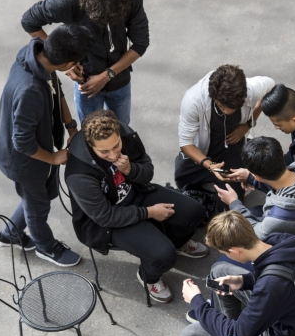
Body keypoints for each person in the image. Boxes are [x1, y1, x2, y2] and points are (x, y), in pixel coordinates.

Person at [65, 110, 208, 303]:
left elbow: (147, 171)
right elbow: (104, 217)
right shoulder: (79, 173)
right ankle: (148, 277)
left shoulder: (124, 132)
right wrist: (149, 213)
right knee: (163, 256)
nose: (113, 154)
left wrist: (130, 169)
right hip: (109, 222)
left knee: (195, 212)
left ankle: (177, 242)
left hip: (138, 193)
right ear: (90, 146)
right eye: (104, 151)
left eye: (116, 146)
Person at [0, 24, 92, 266]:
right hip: (26, 161)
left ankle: (10, 234)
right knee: (38, 207)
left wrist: (71, 127)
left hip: (35, 153)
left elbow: (57, 93)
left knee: (33, 198)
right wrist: (53, 158)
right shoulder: (30, 90)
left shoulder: (35, 57)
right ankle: (46, 247)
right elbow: (23, 142)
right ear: (68, 64)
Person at [182, 210, 295, 336]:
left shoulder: (270, 287)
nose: (226, 255)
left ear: (235, 251)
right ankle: (222, 329)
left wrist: (196, 301)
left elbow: (238, 333)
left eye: (225, 253)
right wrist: (244, 281)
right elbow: (286, 278)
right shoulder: (281, 241)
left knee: (191, 335)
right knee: (220, 271)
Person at [21, 0, 149, 124]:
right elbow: (29, 21)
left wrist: (107, 75)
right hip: (85, 81)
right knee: (91, 134)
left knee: (122, 130)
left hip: (119, 78)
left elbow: (141, 43)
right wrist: (65, 62)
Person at [175, 65, 274, 205]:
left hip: (231, 148)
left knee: (232, 201)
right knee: (181, 184)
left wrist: (248, 124)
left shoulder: (252, 88)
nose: (227, 112)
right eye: (221, 107)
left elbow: (271, 88)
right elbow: (186, 143)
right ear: (212, 96)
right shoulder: (193, 100)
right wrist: (210, 166)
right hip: (201, 150)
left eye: (233, 108)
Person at [217, 136, 295, 260]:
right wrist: (250, 177)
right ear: (283, 155)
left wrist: (234, 203)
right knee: (254, 212)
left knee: (223, 261)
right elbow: (281, 185)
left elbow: (255, 234)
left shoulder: (277, 218)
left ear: (257, 176)